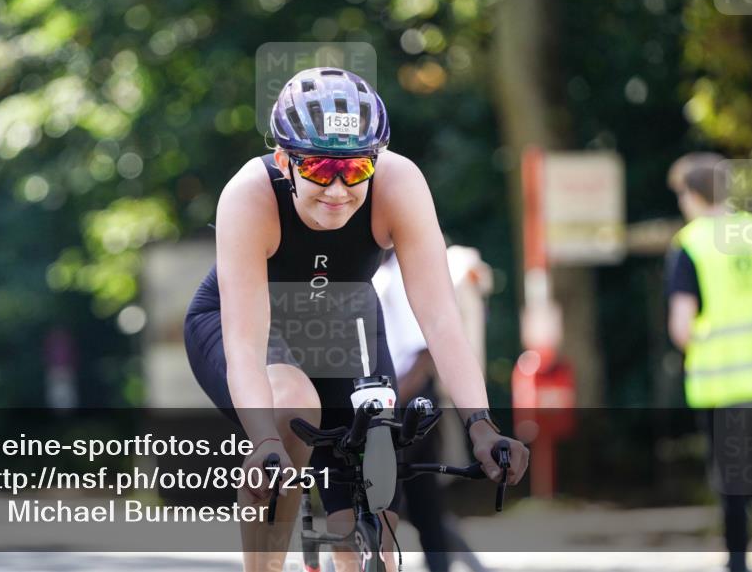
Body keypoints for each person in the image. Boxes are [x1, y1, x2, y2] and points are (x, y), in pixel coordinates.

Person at [184, 67, 529, 572]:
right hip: (243, 325)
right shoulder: (249, 196)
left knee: (375, 508)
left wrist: (481, 425)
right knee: (292, 406)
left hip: (343, 325)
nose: (340, 189)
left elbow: (440, 320)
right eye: (322, 170)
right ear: (285, 160)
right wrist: (263, 442)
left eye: (356, 170)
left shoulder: (400, 184)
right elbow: (244, 342)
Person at [665, 152, 752, 572]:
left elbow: (682, 326)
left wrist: (703, 337)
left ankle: (737, 559)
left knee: (740, 478)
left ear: (695, 194)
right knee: (749, 473)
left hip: (721, 379)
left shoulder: (691, 243)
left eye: (682, 193)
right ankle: (736, 558)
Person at [374, 246, 493, 572]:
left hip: (405, 401)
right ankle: (453, 560)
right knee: (420, 500)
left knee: (389, 499)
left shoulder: (404, 272)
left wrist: (395, 401)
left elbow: (423, 352)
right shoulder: (380, 271)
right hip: (395, 398)